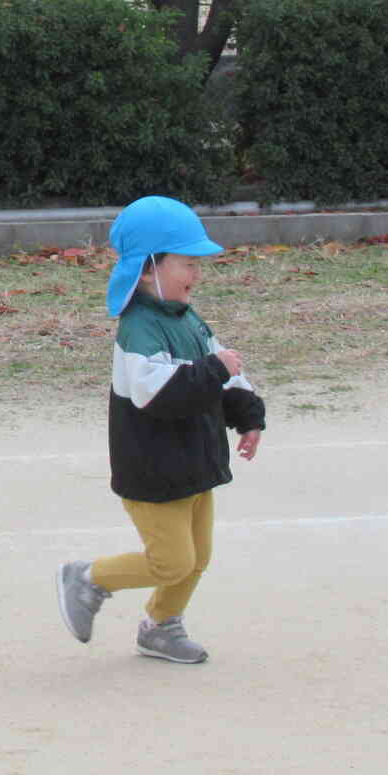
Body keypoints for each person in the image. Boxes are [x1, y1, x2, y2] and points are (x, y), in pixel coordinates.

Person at [56, 196, 266, 662]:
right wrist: (213, 369)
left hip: (195, 462)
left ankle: (161, 627)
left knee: (198, 558)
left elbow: (224, 378)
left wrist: (247, 414)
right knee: (171, 561)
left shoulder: (188, 319)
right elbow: (158, 394)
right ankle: (88, 578)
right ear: (150, 268)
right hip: (154, 469)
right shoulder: (138, 329)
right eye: (187, 263)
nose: (196, 273)